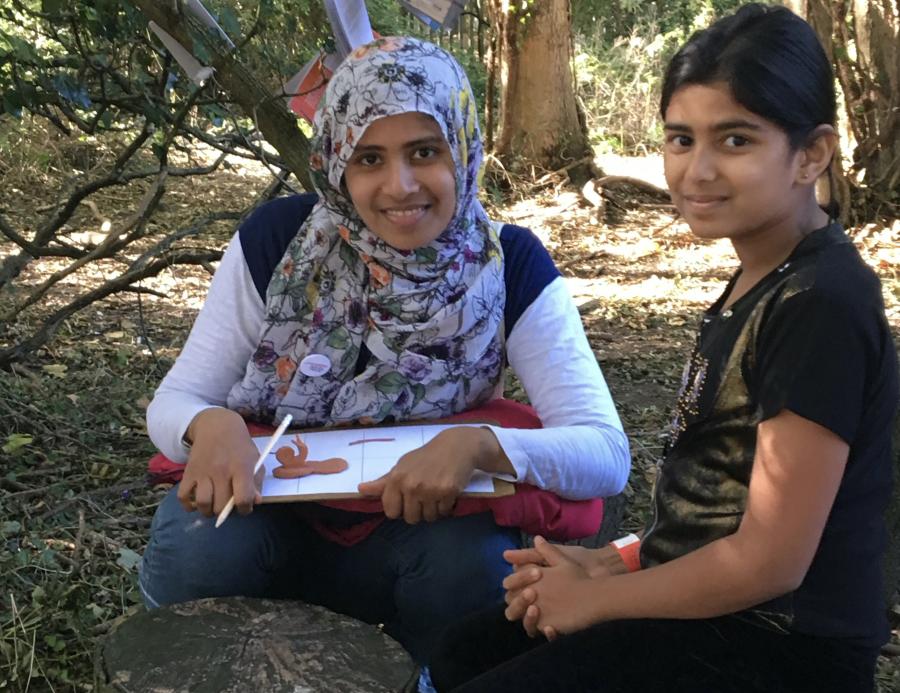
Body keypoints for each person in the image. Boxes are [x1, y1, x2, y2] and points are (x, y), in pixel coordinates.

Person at [428, 5, 899, 692]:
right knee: (466, 649)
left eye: (735, 140)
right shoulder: (762, 274)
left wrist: (597, 599)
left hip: (780, 646)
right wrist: (609, 562)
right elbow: (714, 504)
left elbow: (772, 561)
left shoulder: (818, 305)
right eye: (681, 139)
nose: (697, 170)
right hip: (720, 610)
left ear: (812, 154)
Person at [138, 37, 630, 664]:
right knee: (202, 538)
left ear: (464, 149)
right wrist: (208, 424)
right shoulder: (278, 243)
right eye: (369, 158)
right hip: (273, 526)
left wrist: (479, 445)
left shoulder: (509, 265)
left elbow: (605, 453)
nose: (399, 187)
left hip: (419, 537)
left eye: (425, 152)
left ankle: (429, 673)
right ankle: (188, 668)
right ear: (336, 161)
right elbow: (176, 401)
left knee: (474, 564)